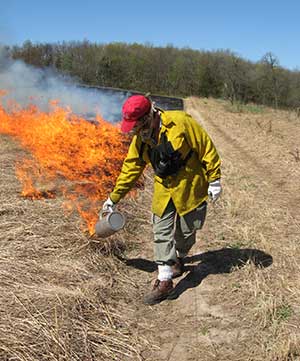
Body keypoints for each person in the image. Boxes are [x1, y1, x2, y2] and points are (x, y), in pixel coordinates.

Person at [102, 94, 222, 305]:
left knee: (187, 232)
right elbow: (130, 169)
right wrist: (113, 198)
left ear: (148, 117)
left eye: (136, 125)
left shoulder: (181, 123)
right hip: (164, 189)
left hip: (190, 186)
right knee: (161, 230)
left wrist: (214, 180)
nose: (134, 131)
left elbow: (206, 147)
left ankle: (178, 257)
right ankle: (164, 279)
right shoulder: (140, 141)